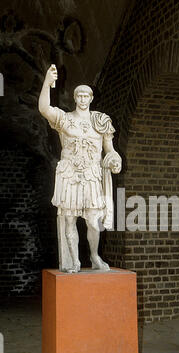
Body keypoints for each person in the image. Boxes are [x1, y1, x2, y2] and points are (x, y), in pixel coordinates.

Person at [38, 65, 121, 273]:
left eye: (86, 96)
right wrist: (47, 83)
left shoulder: (100, 121)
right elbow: (44, 109)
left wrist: (113, 159)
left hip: (92, 175)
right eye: (79, 96)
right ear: (75, 99)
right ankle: (74, 260)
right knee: (70, 219)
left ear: (91, 98)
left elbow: (110, 149)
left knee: (93, 221)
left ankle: (94, 256)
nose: (83, 99)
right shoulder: (65, 119)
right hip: (70, 174)